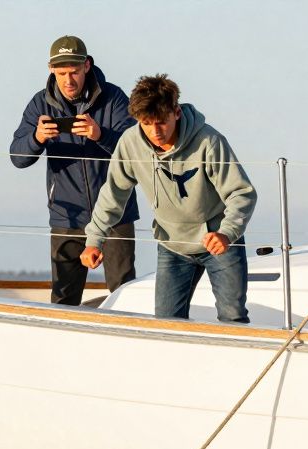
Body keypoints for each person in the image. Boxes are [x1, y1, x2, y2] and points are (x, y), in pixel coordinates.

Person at [81, 75, 256, 322]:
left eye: (161, 122)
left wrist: (227, 233)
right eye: (146, 123)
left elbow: (241, 192)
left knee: (232, 317)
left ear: (176, 113)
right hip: (172, 245)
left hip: (218, 241)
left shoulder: (209, 141)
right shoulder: (130, 143)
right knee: (166, 322)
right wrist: (94, 240)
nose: (155, 132)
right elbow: (113, 193)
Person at [10, 35, 139, 306]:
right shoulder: (39, 104)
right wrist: (37, 138)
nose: (68, 80)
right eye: (61, 73)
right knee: (63, 300)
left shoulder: (114, 97)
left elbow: (136, 151)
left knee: (124, 296)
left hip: (115, 214)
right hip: (66, 217)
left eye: (74, 72)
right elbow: (17, 158)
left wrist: (100, 134)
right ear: (51, 69)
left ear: (87, 66)